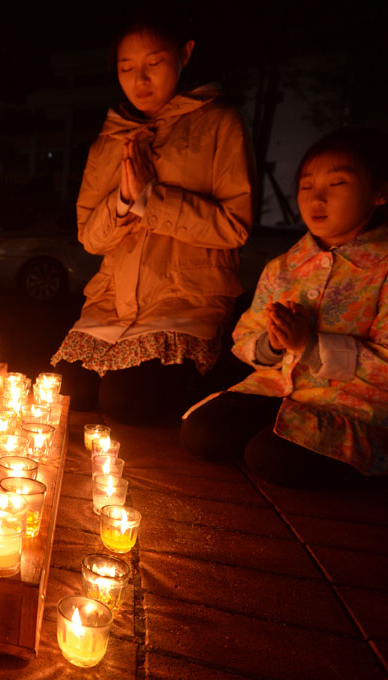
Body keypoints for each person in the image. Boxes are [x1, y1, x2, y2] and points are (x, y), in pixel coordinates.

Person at [180, 128, 388, 488]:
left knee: (268, 458)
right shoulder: (284, 267)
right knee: (201, 434)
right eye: (306, 185)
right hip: (276, 388)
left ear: (383, 192)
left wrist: (311, 346)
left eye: (337, 184)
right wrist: (273, 344)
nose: (317, 198)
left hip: (352, 407)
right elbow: (244, 336)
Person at [50, 8, 254, 425]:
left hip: (185, 299)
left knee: (127, 401)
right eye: (127, 68)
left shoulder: (219, 123)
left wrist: (151, 201)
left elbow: (234, 226)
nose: (140, 80)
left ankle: (209, 386)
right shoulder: (109, 141)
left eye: (154, 64)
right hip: (112, 303)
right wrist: (123, 201)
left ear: (186, 53)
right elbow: (91, 238)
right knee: (67, 391)